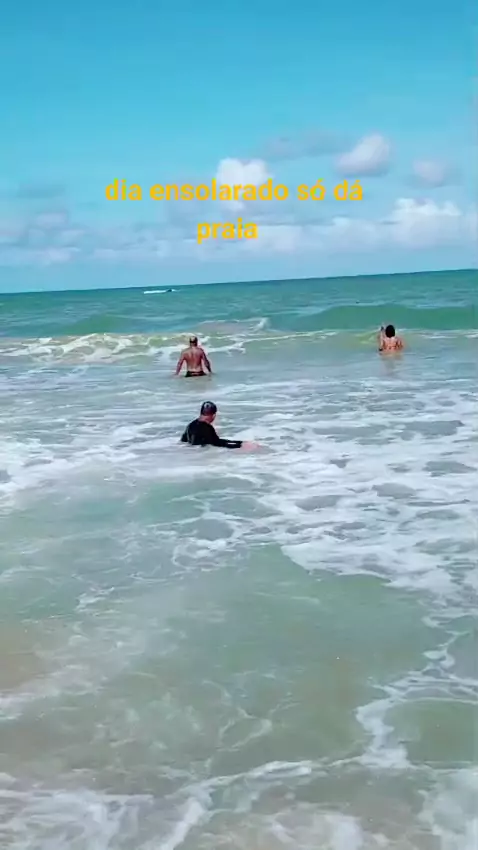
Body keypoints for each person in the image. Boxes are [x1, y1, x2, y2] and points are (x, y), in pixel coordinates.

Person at [180, 401, 259, 450]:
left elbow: (183, 441)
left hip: (193, 455)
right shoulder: (206, 428)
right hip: (201, 457)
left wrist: (240, 442)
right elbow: (218, 443)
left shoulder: (191, 425)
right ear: (214, 415)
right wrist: (240, 446)